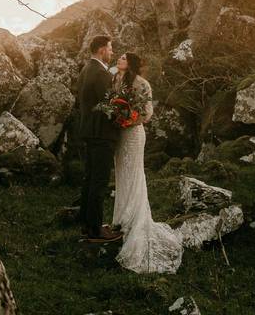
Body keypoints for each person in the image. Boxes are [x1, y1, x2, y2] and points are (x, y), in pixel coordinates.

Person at [110, 52, 183, 274]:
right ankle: (121, 218)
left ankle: (134, 220)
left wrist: (128, 119)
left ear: (130, 63)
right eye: (119, 56)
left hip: (132, 134)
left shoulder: (142, 84)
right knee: (121, 174)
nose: (119, 59)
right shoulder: (114, 79)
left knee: (134, 173)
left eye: (123, 58)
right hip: (118, 135)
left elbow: (147, 113)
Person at [77, 35, 123, 243]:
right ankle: (96, 229)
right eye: (110, 49)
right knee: (99, 181)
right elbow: (110, 107)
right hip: (102, 134)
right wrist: (124, 119)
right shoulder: (102, 74)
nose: (112, 53)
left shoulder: (86, 70)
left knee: (89, 179)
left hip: (88, 131)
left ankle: (87, 224)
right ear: (102, 50)